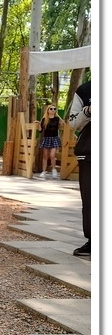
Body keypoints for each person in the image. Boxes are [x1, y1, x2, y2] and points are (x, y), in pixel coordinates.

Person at [68, 79, 91, 257]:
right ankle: (93, 241)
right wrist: (89, 111)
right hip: (90, 152)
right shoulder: (85, 90)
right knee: (91, 199)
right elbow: (73, 122)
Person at [37, 105, 62, 178]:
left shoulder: (57, 119)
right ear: (48, 110)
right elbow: (40, 131)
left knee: (52, 155)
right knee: (45, 156)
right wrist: (39, 124)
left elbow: (60, 125)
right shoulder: (44, 119)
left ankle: (54, 170)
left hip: (54, 138)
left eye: (54, 109)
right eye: (51, 109)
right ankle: (44, 171)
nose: (53, 110)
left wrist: (62, 124)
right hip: (46, 138)